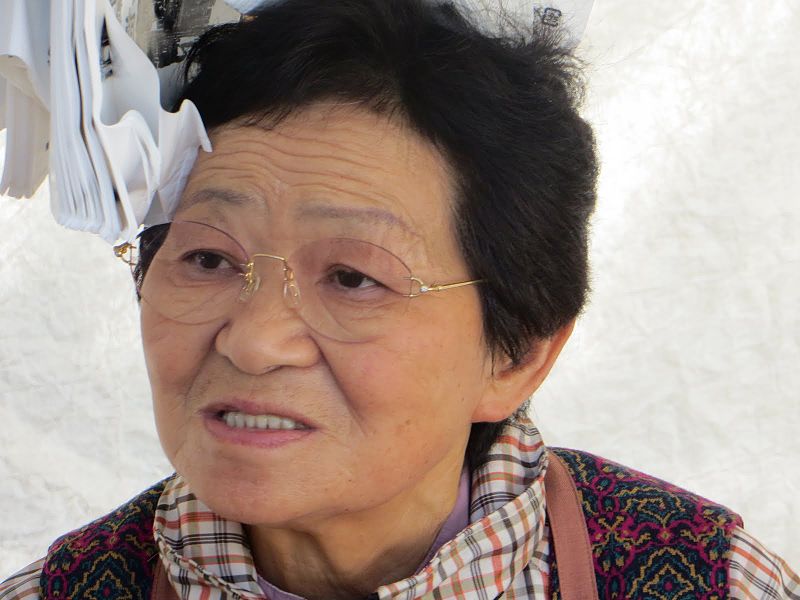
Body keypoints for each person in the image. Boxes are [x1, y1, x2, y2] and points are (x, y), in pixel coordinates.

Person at [1, 1, 798, 598]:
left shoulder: (711, 582)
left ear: (516, 354)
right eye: (208, 257)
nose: (254, 339)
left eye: (353, 277)